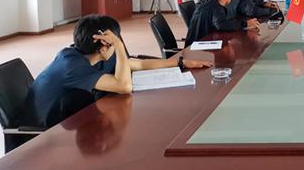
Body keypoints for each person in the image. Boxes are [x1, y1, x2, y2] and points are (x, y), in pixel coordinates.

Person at [22, 15, 212, 128]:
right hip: (45, 133)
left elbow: (137, 64)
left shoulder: (96, 55)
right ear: (104, 44)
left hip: (73, 117)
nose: (117, 43)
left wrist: (180, 62)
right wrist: (120, 46)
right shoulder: (71, 65)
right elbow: (124, 86)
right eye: (115, 40)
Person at [185, 0, 258, 46]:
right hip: (197, 47)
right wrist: (245, 24)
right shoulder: (216, 7)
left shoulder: (210, 2)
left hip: (196, 43)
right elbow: (221, 25)